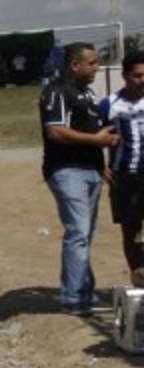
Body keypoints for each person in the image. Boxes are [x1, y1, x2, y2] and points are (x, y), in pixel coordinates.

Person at [40, 42, 119, 314]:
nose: (97, 68)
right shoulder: (56, 91)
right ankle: (74, 298)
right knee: (78, 233)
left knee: (87, 233)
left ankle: (84, 291)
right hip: (67, 170)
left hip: (91, 171)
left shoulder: (88, 95)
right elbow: (56, 131)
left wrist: (101, 162)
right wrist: (95, 140)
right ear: (75, 65)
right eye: (93, 63)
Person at [99, 50, 144, 281]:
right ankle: (138, 278)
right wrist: (99, 164)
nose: (142, 80)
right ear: (125, 77)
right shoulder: (109, 104)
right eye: (137, 76)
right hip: (125, 176)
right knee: (131, 230)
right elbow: (94, 136)